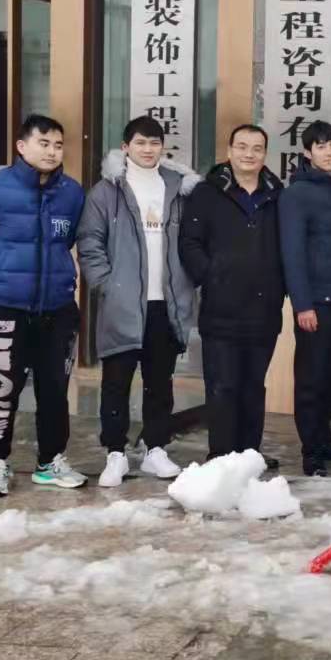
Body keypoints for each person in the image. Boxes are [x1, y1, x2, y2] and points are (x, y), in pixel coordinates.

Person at [0, 114, 88, 497]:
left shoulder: (72, 193)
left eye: (58, 145)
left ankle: (50, 462)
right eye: (43, 143)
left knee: (54, 391)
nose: (52, 151)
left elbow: (69, 241)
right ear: (21, 146)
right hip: (6, 309)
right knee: (1, 389)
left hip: (58, 310)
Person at [77, 116, 199, 488]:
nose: (148, 149)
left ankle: (155, 448)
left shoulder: (178, 188)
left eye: (155, 143)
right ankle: (115, 452)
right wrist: (108, 285)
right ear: (126, 147)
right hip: (124, 302)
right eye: (141, 143)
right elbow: (90, 242)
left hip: (166, 303)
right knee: (116, 381)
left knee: (159, 382)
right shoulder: (106, 192)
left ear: (163, 147)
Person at [178, 123, 285, 465]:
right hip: (221, 308)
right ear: (229, 151)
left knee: (253, 386)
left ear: (264, 154)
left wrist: (280, 286)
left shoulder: (276, 194)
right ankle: (222, 456)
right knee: (223, 385)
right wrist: (211, 276)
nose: (249, 154)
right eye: (242, 146)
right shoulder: (207, 193)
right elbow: (189, 242)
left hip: (264, 308)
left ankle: (249, 455)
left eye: (257, 148)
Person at [279, 120, 331, 477]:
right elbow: (292, 251)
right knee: (311, 377)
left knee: (330, 375)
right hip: (314, 302)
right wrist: (302, 304)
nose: (330, 152)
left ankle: (326, 439)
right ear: (307, 152)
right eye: (322, 146)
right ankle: (311, 451)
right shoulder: (296, 194)